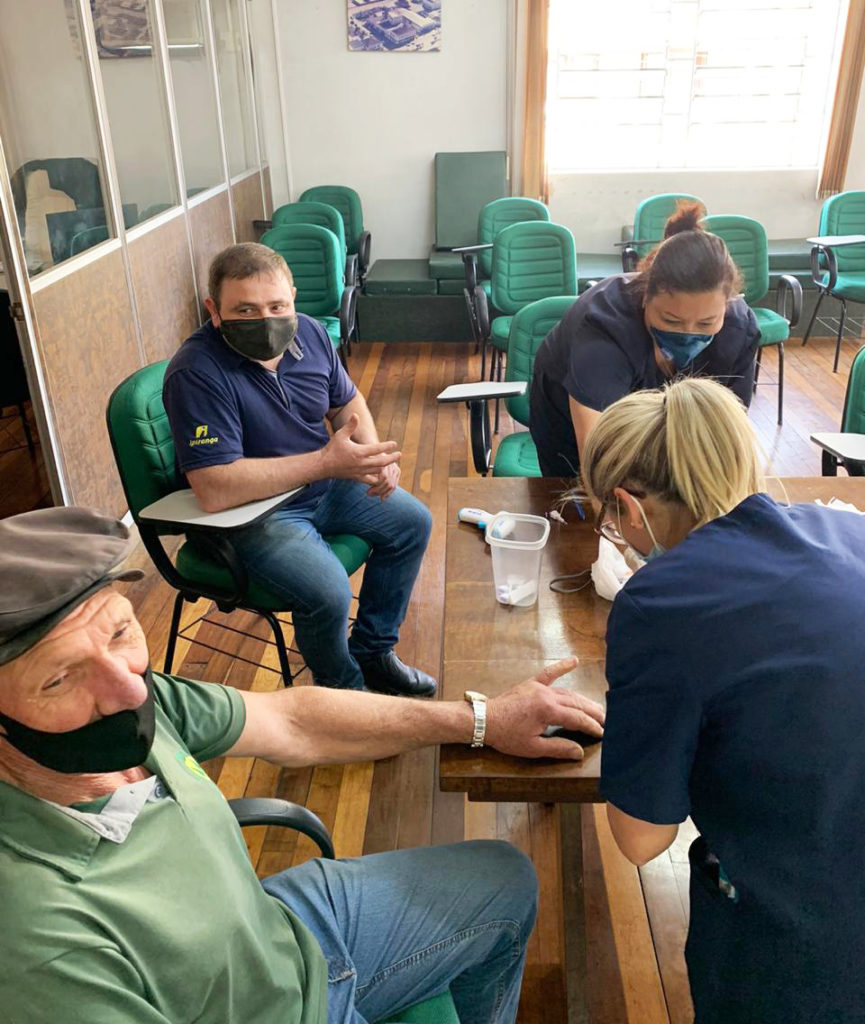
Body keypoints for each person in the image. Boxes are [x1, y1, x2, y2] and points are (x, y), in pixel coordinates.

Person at [0, 506, 605, 1024]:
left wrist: (482, 721)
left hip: (271, 927)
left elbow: (293, 720)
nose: (130, 692)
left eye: (120, 633)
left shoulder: (137, 703)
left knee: (505, 878)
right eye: (58, 679)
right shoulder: (36, 942)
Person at [579, 377, 865, 1023]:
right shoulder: (846, 531)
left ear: (627, 506)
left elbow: (640, 838)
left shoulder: (659, 603)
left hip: (807, 953)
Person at [163, 243, 434, 698]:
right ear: (214, 310)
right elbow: (213, 489)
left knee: (413, 523)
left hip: (324, 484)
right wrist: (326, 463)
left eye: (276, 306)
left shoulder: (309, 334)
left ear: (294, 296)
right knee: (328, 590)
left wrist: (371, 455)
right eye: (244, 310)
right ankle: (342, 693)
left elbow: (347, 402)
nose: (265, 320)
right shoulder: (196, 372)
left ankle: (373, 652)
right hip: (254, 514)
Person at [529, 202, 760, 477]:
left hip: (672, 432)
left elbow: (727, 438)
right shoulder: (603, 326)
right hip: (571, 431)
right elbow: (598, 459)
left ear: (727, 305)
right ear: (645, 296)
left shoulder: (738, 330)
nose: (688, 333)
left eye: (706, 322)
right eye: (671, 320)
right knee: (586, 504)